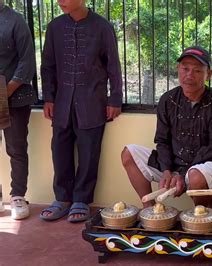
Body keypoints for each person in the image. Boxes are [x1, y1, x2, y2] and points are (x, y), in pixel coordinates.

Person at [39, 0, 122, 222]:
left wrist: (115, 100)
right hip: (62, 101)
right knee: (60, 148)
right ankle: (62, 199)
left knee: (89, 151)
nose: (61, 1)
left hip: (92, 100)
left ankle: (81, 200)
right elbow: (47, 66)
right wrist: (49, 97)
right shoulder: (55, 27)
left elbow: (113, 65)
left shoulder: (102, 27)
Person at [122, 46, 212, 208]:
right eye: (185, 68)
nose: (189, 75)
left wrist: (182, 174)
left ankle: (203, 216)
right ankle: (151, 211)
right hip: (173, 165)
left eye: (197, 71)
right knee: (129, 154)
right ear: (178, 69)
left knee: (195, 176)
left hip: (209, 166)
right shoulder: (168, 100)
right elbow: (162, 141)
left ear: (208, 74)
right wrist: (167, 171)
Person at [0, 0, 37, 220]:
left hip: (14, 96)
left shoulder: (16, 20)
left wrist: (6, 91)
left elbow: (27, 61)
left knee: (16, 148)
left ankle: (17, 196)